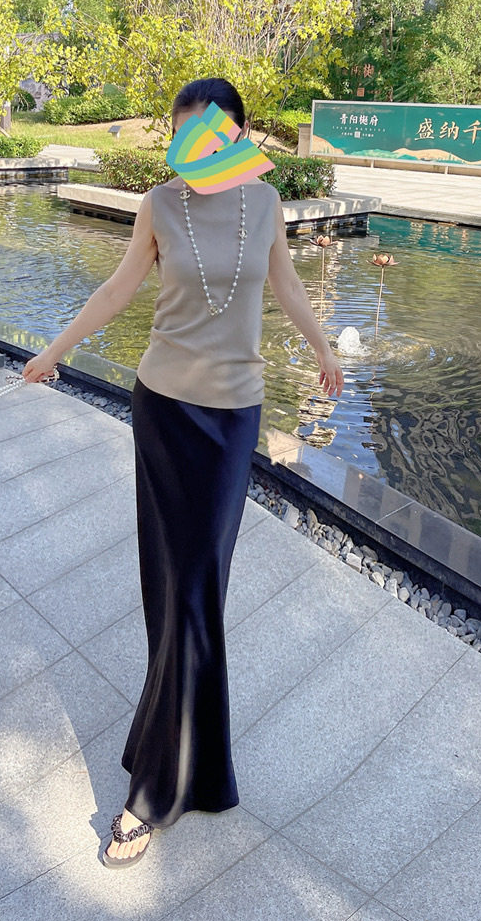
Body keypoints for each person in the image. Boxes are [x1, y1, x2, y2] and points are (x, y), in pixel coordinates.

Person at [23, 77, 343, 867]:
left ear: (236, 135)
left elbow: (286, 283)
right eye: (182, 135)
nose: (193, 148)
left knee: (201, 589)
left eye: (209, 134)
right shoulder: (160, 206)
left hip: (232, 421)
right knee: (173, 592)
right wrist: (53, 351)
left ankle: (161, 766)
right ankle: (166, 779)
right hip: (163, 410)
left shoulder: (265, 205)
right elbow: (117, 287)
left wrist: (323, 346)